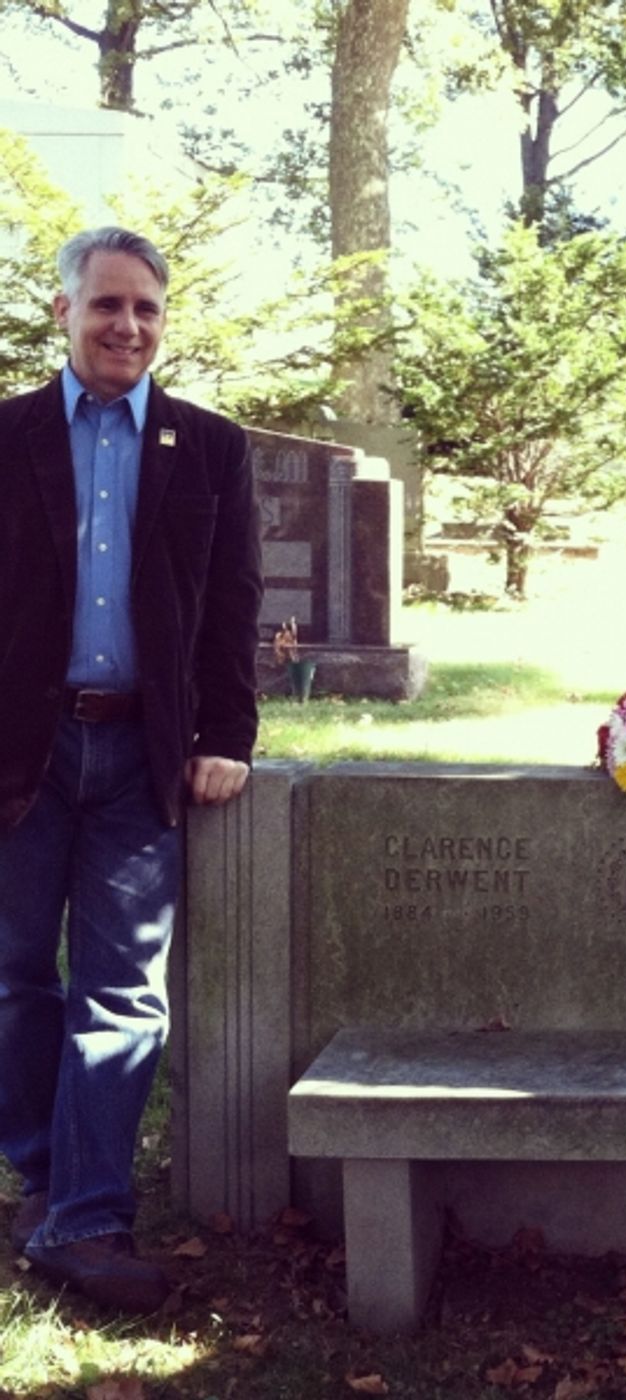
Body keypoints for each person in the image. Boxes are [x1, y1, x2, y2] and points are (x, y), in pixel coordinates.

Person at [0, 227, 262, 1312]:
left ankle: (89, 1220)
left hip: (140, 753)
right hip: (23, 750)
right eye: (107, 305)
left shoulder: (207, 446)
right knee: (17, 982)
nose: (128, 326)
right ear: (62, 312)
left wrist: (227, 737)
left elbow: (233, 603)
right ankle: (47, 1175)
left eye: (147, 308)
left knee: (124, 993)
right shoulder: (8, 435)